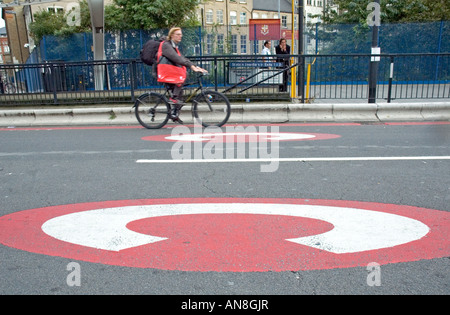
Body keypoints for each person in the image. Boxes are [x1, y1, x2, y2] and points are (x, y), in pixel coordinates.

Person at [157, 27, 207, 121]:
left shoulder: (174, 46)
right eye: (178, 34)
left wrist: (195, 66)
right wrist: (191, 67)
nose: (180, 36)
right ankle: (173, 98)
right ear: (172, 35)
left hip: (169, 71)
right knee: (182, 77)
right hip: (162, 71)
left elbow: (183, 58)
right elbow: (177, 58)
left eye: (181, 34)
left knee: (181, 95)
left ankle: (174, 114)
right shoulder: (166, 46)